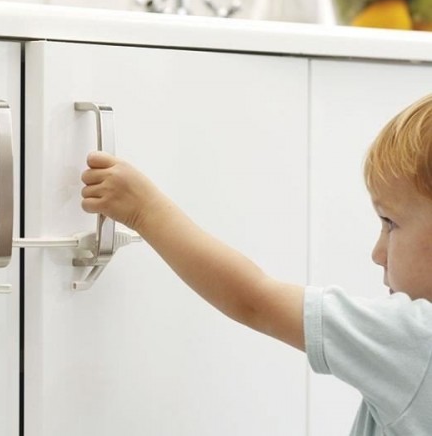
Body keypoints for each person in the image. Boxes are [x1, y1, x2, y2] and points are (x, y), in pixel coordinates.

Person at [81, 93, 432, 435]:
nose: (377, 253)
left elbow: (254, 299)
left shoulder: (416, 340)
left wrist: (145, 211)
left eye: (390, 223)